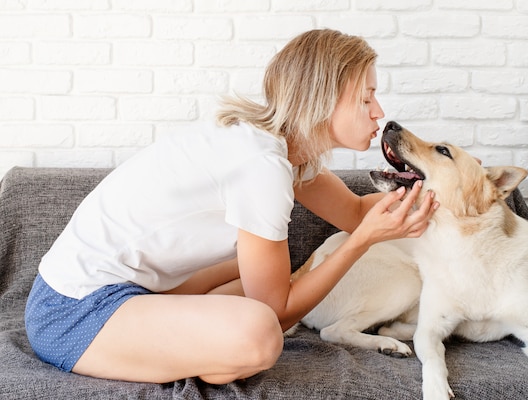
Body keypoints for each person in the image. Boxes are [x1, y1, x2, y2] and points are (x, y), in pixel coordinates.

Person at [24, 29, 438, 385]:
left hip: (139, 290)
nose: (379, 113)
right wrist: (361, 243)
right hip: (73, 310)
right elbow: (277, 312)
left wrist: (438, 190)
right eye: (367, 99)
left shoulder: (281, 149)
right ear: (324, 100)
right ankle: (198, 349)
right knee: (261, 333)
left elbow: (353, 213)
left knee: (260, 272)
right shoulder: (262, 166)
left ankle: (189, 345)